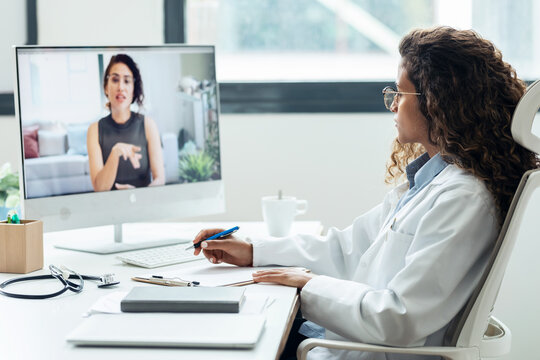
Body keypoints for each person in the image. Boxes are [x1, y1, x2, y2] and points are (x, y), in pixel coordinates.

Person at [190, 27, 539, 360]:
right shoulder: (430, 182)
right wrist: (254, 250)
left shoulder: (463, 199)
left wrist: (307, 285)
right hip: (334, 338)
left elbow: (398, 319)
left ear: (438, 102)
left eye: (401, 94)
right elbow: (346, 248)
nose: (392, 105)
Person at [87, 54, 165, 191]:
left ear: (134, 90)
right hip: (110, 208)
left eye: (127, 81)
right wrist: (115, 152)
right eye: (115, 80)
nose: (121, 87)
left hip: (143, 206)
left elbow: (160, 179)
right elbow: (99, 188)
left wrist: (140, 195)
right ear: (106, 87)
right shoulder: (94, 130)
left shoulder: (148, 125)